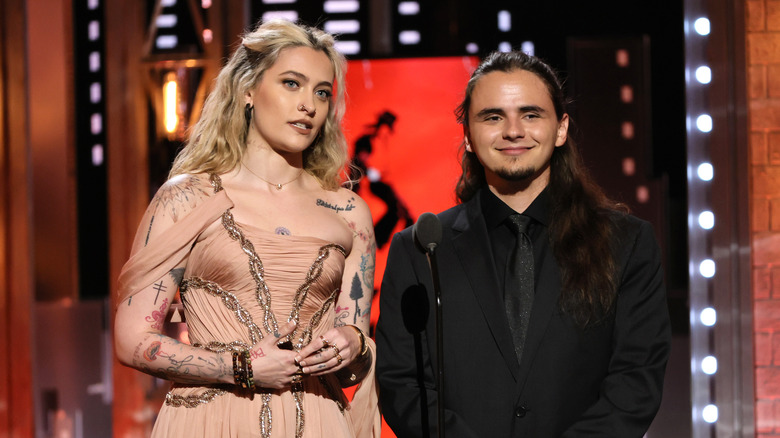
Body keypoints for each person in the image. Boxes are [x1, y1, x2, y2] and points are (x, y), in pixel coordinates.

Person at [375, 50, 671, 437]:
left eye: (530, 114)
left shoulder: (627, 243)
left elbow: (636, 379)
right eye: (493, 116)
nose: (513, 130)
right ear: (467, 136)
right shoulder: (420, 249)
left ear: (561, 128)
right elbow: (403, 383)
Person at [114, 19, 380, 438]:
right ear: (247, 90)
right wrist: (241, 368)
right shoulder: (187, 198)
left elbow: (356, 361)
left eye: (322, 92)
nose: (308, 104)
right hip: (211, 419)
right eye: (291, 84)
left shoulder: (348, 212)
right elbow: (131, 340)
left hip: (320, 422)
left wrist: (353, 344)